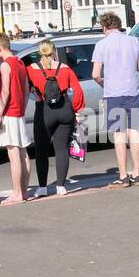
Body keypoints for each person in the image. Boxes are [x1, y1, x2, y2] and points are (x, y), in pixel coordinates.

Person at [91, 12, 139, 187]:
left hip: (113, 94)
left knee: (119, 135)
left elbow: (95, 74)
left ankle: (123, 176)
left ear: (104, 27)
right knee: (134, 132)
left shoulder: (101, 45)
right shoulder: (134, 41)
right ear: (118, 25)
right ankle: (137, 174)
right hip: (133, 91)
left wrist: (104, 82)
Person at [28, 40, 83, 197]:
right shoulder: (65, 69)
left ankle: (43, 187)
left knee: (41, 150)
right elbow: (78, 90)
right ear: (54, 52)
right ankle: (61, 186)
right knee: (61, 149)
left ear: (40, 52)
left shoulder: (31, 69)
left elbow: (26, 88)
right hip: (64, 108)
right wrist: (77, 109)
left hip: (44, 110)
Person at [0, 34, 32, 205]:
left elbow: (5, 92)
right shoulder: (21, 63)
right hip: (19, 112)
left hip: (10, 112)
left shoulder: (6, 66)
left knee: (13, 153)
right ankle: (23, 190)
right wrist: (22, 106)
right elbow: (27, 89)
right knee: (23, 153)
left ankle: (16, 193)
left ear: (0, 47)